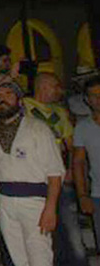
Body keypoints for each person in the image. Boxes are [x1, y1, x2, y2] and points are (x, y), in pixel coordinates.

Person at [0, 81, 63, 266]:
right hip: (5, 202)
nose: (3, 98)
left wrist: (50, 209)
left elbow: (55, 172)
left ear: (20, 101)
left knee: (40, 257)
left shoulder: (38, 129)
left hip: (34, 203)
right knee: (18, 259)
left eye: (8, 94)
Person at [23, 72, 85, 266]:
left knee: (70, 233)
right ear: (43, 86)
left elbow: (71, 145)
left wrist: (69, 170)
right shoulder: (23, 106)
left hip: (58, 177)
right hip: (33, 179)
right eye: (55, 86)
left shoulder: (60, 113)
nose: (60, 91)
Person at [73, 76, 100, 252]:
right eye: (93, 95)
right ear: (87, 100)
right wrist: (83, 195)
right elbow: (78, 163)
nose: (98, 100)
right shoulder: (82, 127)